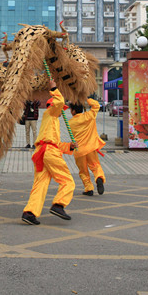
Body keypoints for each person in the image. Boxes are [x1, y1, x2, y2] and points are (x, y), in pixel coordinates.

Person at [21, 80, 76, 225]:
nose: (61, 111)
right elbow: (59, 101)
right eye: (60, 108)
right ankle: (59, 204)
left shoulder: (52, 120)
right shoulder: (51, 113)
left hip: (44, 152)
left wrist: (69, 146)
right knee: (67, 181)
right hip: (49, 152)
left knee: (41, 184)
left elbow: (55, 143)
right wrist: (54, 88)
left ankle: (29, 213)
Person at [69, 97, 105, 196]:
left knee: (83, 170)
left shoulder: (70, 123)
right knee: (95, 165)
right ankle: (99, 177)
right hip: (90, 148)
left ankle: (88, 188)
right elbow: (96, 105)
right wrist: (86, 98)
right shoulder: (89, 116)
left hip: (79, 150)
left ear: (73, 111)